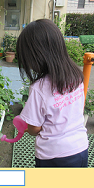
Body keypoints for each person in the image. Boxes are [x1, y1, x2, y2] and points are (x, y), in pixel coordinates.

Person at [16, 19, 88, 168]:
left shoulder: (39, 88)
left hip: (53, 156)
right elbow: (77, 109)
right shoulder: (77, 75)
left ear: (36, 56)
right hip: (81, 148)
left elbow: (34, 129)